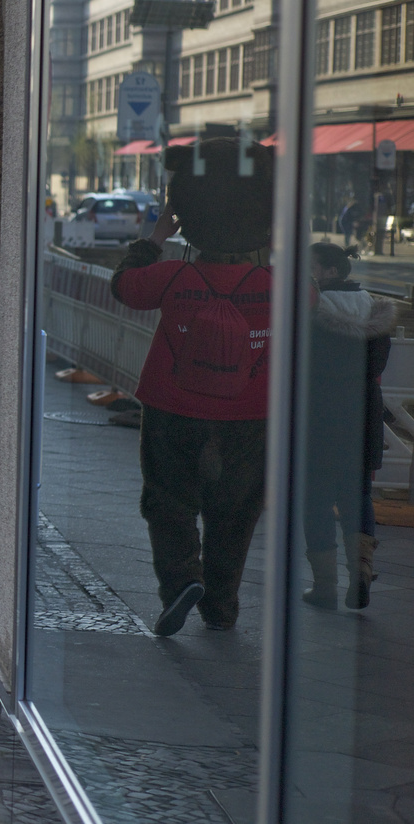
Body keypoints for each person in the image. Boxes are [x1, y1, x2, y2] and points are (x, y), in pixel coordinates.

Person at [112, 138, 274, 637]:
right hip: (250, 414)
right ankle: (222, 606)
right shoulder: (279, 285)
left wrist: (158, 234)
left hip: (173, 406)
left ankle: (182, 580)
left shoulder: (171, 275)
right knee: (236, 512)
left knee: (167, 501)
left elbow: (124, 285)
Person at [302, 243, 394, 609]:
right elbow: (377, 367)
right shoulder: (374, 310)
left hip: (318, 417)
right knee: (357, 496)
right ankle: (362, 573)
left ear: (328, 272)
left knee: (316, 500)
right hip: (363, 414)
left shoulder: (311, 309)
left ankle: (324, 586)